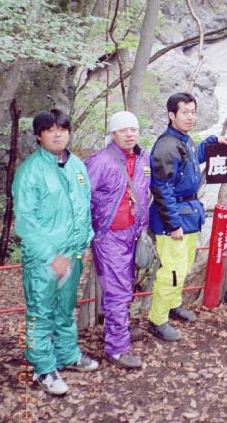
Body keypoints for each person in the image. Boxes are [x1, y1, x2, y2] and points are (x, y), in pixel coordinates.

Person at [12, 109, 99, 396]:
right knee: (41, 313)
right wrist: (52, 257)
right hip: (44, 260)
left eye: (62, 129)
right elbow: (26, 222)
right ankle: (43, 368)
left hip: (72, 254)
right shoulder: (30, 172)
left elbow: (84, 208)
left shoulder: (77, 165)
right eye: (50, 130)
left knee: (66, 309)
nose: (58, 134)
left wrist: (83, 244)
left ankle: (68, 354)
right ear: (39, 136)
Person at [147, 92, 227, 341]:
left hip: (189, 215)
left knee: (183, 266)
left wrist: (213, 141)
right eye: (184, 112)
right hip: (173, 220)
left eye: (193, 112)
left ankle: (173, 305)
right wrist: (173, 223)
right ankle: (157, 319)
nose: (190, 117)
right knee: (172, 270)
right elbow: (161, 188)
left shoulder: (183, 140)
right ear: (171, 115)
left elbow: (192, 159)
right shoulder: (166, 147)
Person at [86, 111, 150, 369]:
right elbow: (82, 200)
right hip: (109, 235)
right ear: (113, 134)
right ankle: (117, 349)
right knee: (117, 290)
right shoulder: (100, 162)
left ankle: (119, 329)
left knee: (127, 285)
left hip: (134, 232)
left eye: (133, 129)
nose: (130, 134)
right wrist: (86, 236)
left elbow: (146, 191)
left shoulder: (143, 158)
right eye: (123, 130)